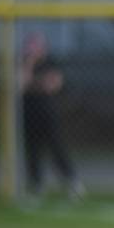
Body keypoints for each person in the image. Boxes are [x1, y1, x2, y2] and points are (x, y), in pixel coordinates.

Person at [19, 31, 85, 201]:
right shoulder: (24, 65)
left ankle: (72, 182)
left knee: (57, 149)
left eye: (37, 47)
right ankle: (36, 186)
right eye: (31, 47)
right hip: (28, 114)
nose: (33, 50)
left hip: (47, 114)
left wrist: (34, 83)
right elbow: (21, 84)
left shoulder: (51, 63)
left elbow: (52, 85)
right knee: (32, 152)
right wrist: (31, 68)